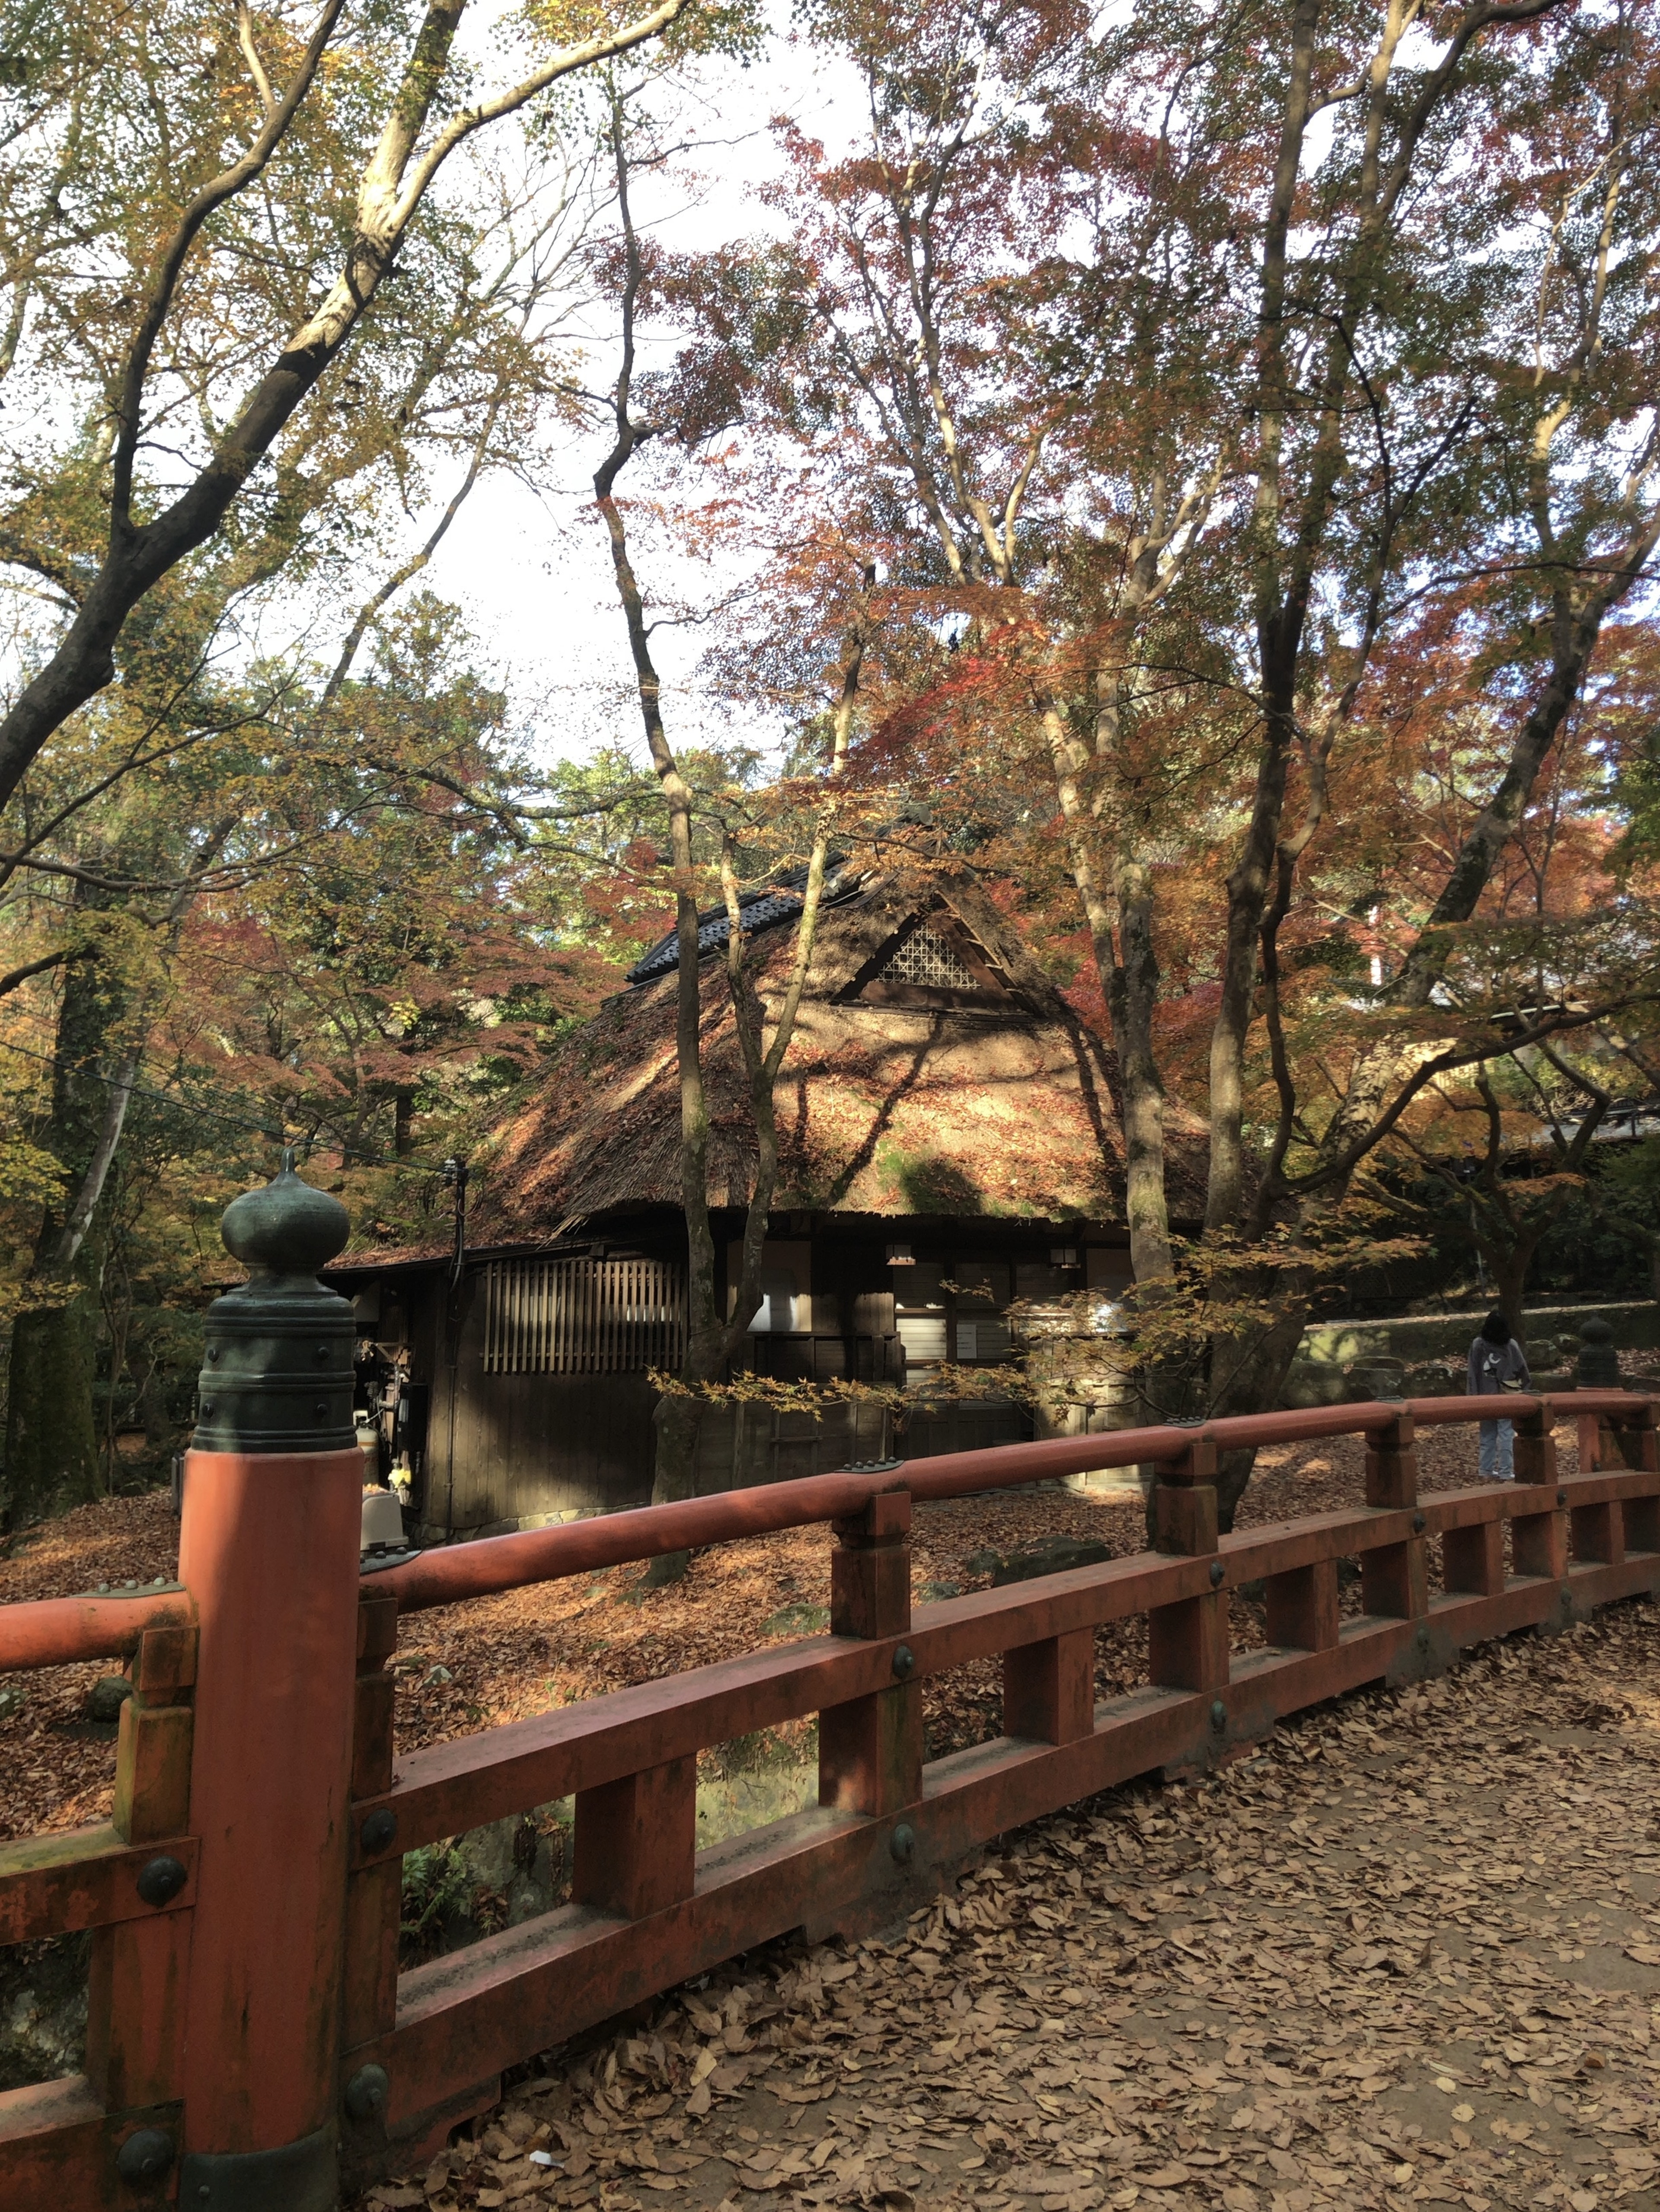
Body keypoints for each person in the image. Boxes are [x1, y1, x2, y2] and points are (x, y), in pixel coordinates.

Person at [1468, 1310, 1530, 1480]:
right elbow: (1522, 1369)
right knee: (1506, 1434)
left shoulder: (1478, 1345)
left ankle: (1485, 1470)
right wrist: (1526, 1388)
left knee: (1487, 1434)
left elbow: (1473, 1373)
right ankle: (1505, 1471)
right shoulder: (1511, 1346)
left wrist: (1472, 1396)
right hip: (1507, 1395)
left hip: (1484, 1397)